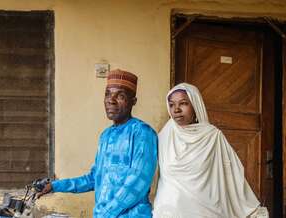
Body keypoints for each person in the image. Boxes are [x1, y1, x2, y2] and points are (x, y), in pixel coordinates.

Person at [38, 69, 158, 218]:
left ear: (133, 101)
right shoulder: (106, 136)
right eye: (107, 94)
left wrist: (105, 213)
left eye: (120, 96)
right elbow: (94, 179)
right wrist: (55, 186)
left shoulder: (142, 133)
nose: (111, 100)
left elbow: (138, 183)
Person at [153, 83, 266, 218]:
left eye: (183, 103)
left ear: (195, 105)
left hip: (205, 210)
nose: (176, 109)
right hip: (169, 210)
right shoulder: (164, 136)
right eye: (171, 105)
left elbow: (231, 173)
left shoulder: (212, 136)